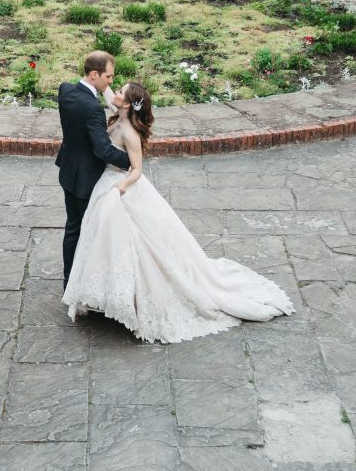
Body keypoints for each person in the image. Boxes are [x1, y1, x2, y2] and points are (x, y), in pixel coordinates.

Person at [62, 82, 293, 343]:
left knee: (133, 244)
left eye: (120, 91)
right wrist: (99, 84)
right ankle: (103, 294)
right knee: (104, 241)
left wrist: (122, 186)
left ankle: (130, 297)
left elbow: (137, 170)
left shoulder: (129, 132)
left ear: (127, 104)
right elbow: (107, 93)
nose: (113, 92)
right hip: (106, 185)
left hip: (119, 188)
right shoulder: (119, 113)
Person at [55, 51, 132, 289]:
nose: (111, 82)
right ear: (94, 74)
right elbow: (103, 151)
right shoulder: (93, 109)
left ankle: (70, 280)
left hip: (68, 171)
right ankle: (87, 283)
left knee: (73, 227)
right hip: (87, 179)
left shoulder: (66, 90)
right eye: (108, 77)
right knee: (90, 231)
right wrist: (131, 160)